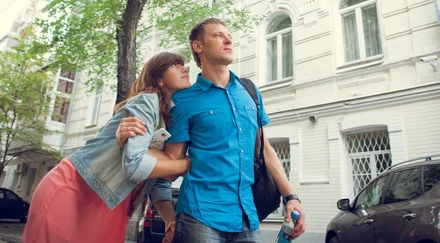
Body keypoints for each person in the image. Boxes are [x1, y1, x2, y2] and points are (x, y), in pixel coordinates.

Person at [119, 18, 306, 243]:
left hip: (247, 217)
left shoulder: (250, 91)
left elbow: (264, 149)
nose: (228, 40)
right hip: (199, 217)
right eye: (218, 35)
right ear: (198, 47)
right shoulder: (184, 100)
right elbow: (170, 165)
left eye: (229, 36)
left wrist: (291, 197)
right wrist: (128, 143)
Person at [22, 52, 191, 243]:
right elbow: (135, 165)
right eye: (175, 65)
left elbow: (156, 179)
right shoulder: (147, 100)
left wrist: (170, 220)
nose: (184, 68)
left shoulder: (167, 117)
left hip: (112, 205)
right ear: (159, 78)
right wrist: (186, 165)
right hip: (74, 189)